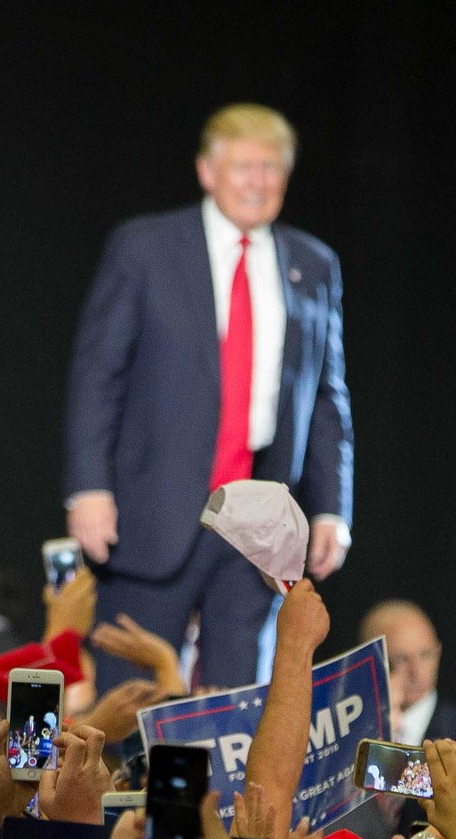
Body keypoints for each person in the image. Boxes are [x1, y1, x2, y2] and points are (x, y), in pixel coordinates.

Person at [63, 103, 351, 689]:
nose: (258, 182)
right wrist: (88, 487)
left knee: (240, 713)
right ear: (206, 171)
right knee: (127, 706)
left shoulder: (313, 264)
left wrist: (331, 510)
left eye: (271, 169)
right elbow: (98, 375)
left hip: (256, 525)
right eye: (243, 166)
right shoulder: (145, 248)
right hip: (150, 515)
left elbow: (327, 396)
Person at [357, 600, 456, 775]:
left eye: (425, 655)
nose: (416, 672)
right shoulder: (346, 742)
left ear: (438, 652)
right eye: (401, 658)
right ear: (368, 663)